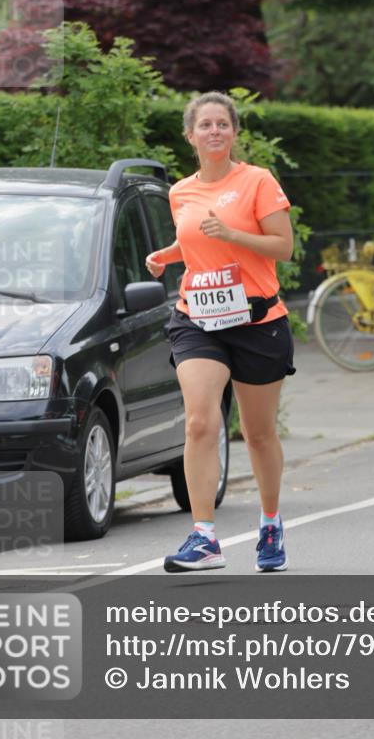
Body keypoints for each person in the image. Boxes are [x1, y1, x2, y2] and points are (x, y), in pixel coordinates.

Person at [145, 91, 295, 572]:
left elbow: (283, 247)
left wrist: (233, 235)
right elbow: (195, 239)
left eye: (222, 124)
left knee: (257, 433)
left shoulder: (257, 181)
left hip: (257, 321)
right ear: (190, 136)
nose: (214, 131)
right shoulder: (180, 192)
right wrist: (167, 255)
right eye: (205, 125)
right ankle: (204, 536)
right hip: (199, 319)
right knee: (199, 422)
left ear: (234, 132)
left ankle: (270, 523)